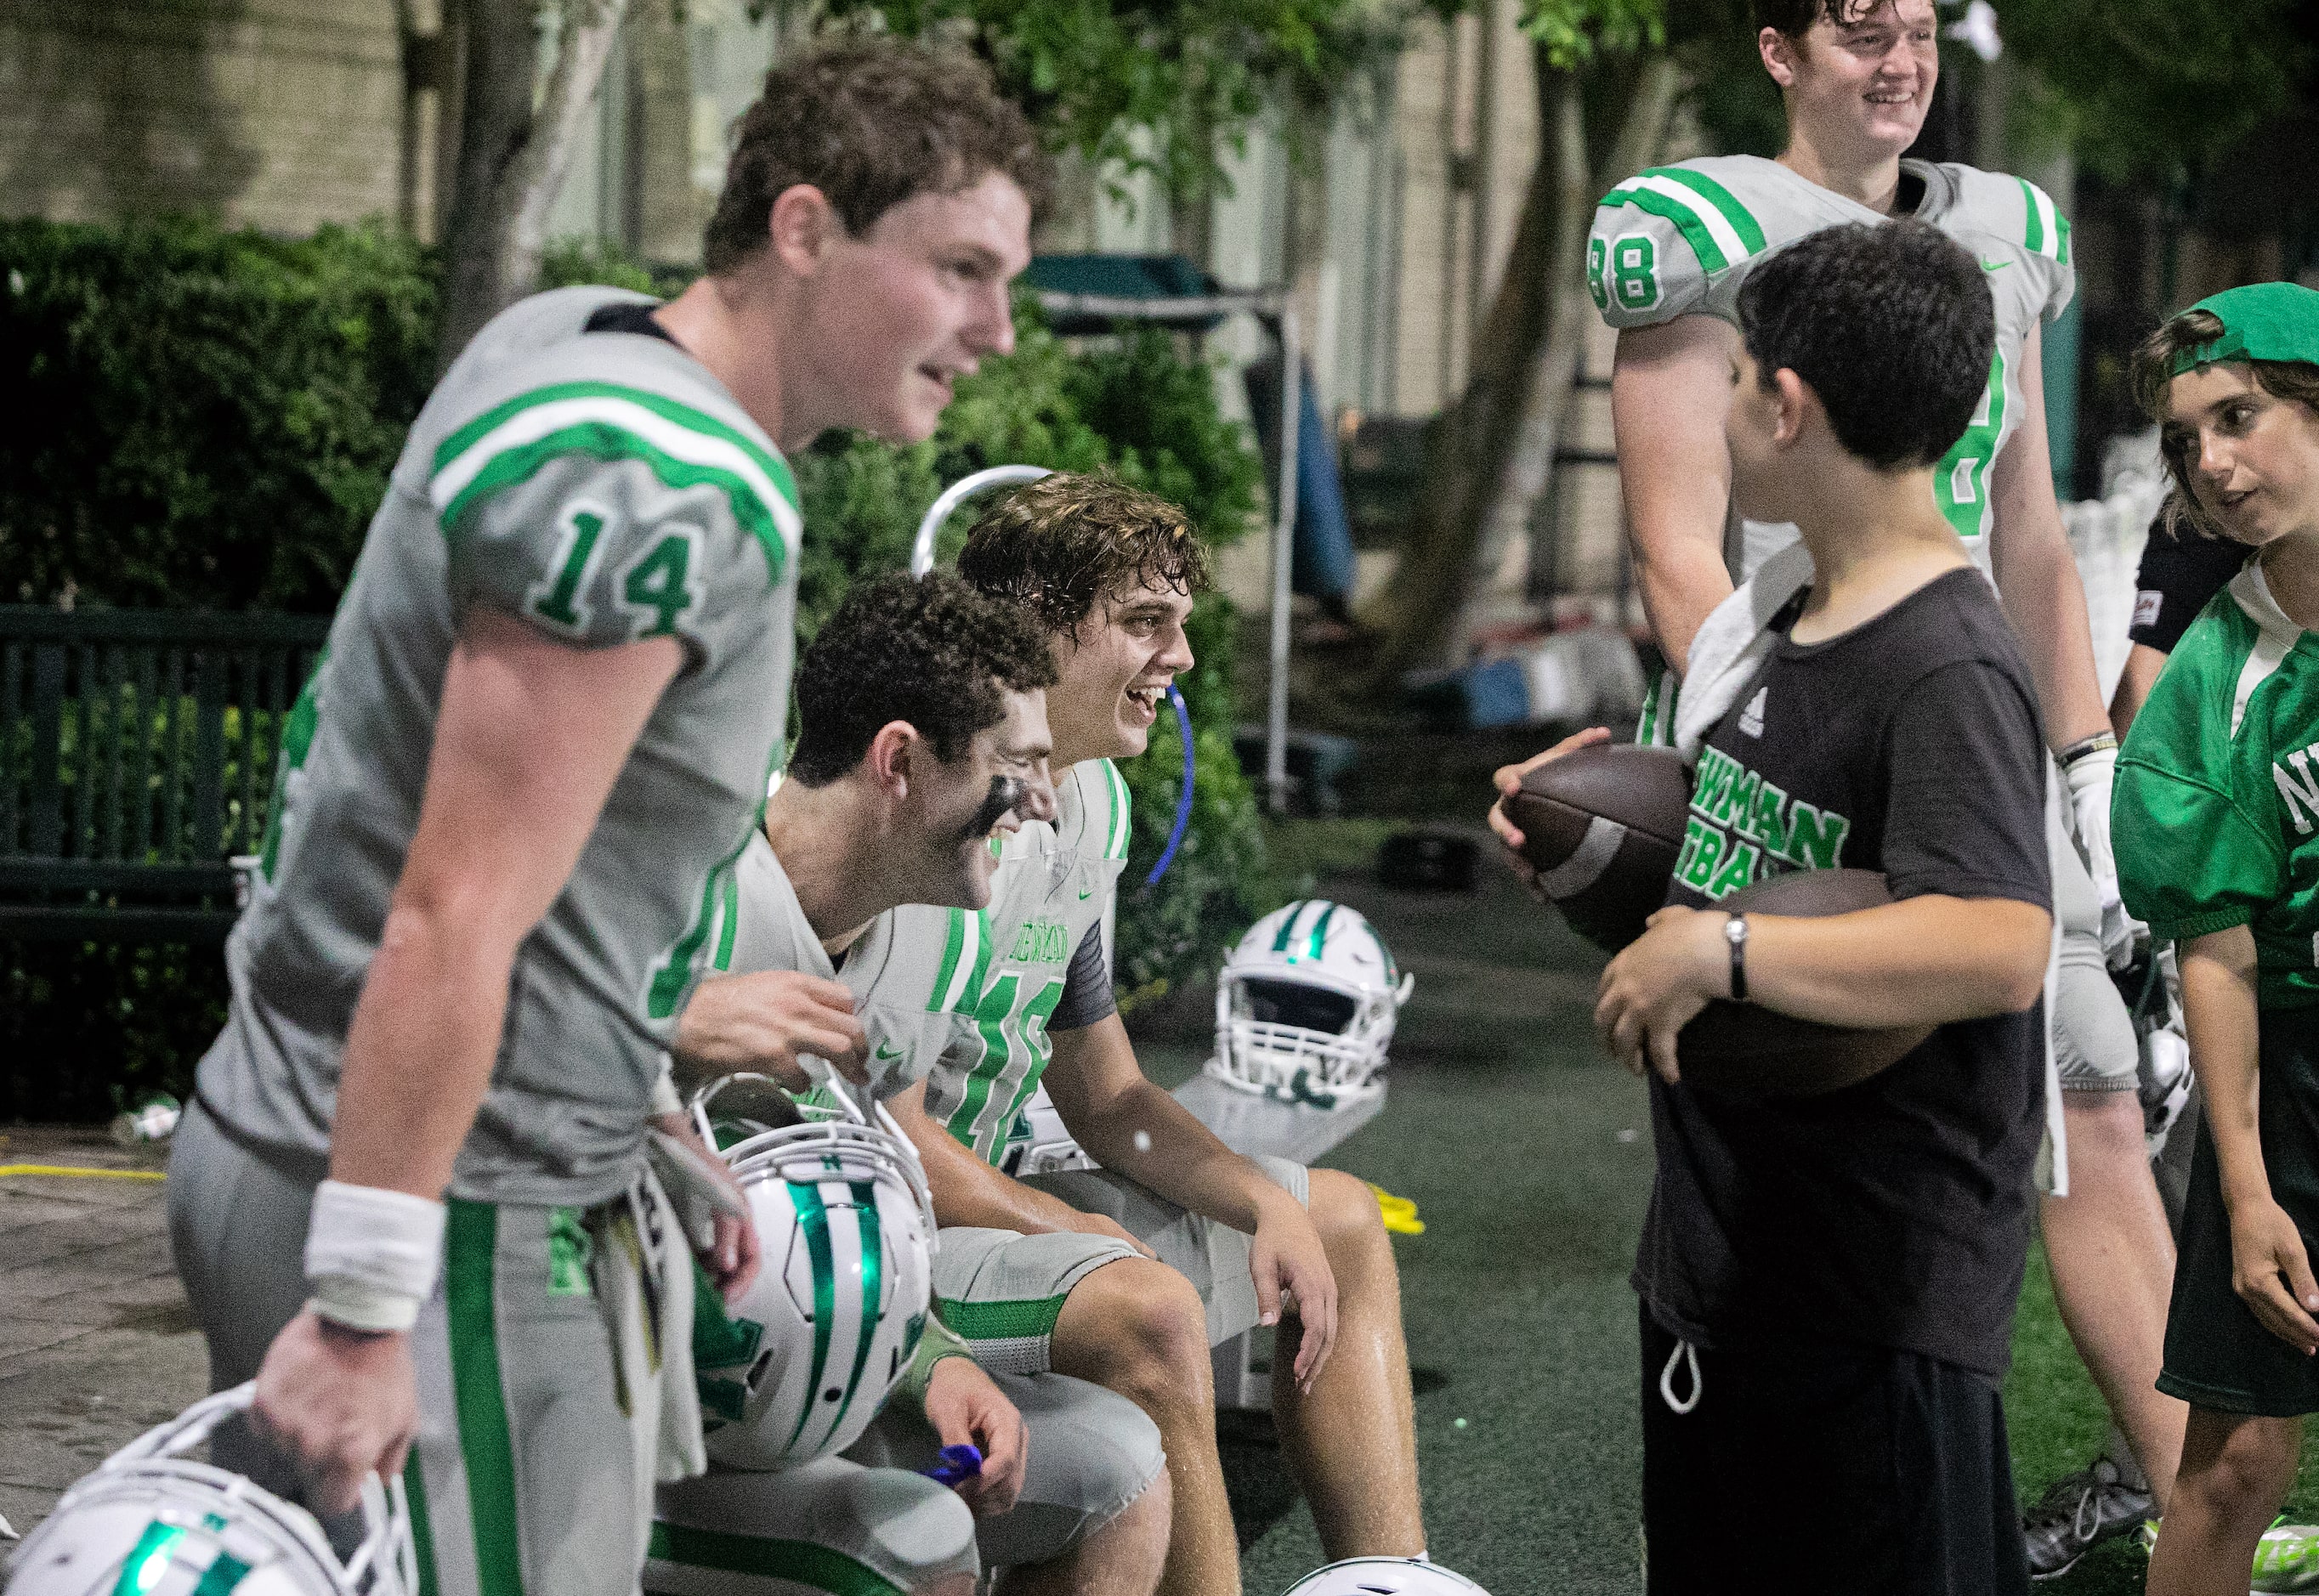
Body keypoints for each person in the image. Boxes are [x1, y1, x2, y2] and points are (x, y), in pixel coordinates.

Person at [164, 39, 1044, 1596]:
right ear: (803, 227)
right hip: (431, 1200)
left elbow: (537, 861)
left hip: (402, 1147)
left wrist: (633, 1100)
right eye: (959, 268)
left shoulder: (576, 345)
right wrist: (368, 1302)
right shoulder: (662, 476)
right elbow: (453, 906)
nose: (994, 326)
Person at [1590, 0, 2180, 1567]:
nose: (1898, 60)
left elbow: (2033, 528)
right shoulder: (1701, 233)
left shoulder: (2002, 235)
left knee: (2088, 1091)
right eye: (1859, 29)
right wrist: (1751, 722)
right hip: (1790, 721)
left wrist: (2084, 762)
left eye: (1918, 27)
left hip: (1947, 712)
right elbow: (1673, 534)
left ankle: (2186, 1490)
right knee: (1785, 1101)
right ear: (1778, 50)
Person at [1507, 220, 2051, 1593]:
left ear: (1787, 404)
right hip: (1726, 1256)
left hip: (1869, 1294)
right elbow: (1745, 836)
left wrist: (1721, 944)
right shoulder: (1785, 606)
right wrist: (1595, 836)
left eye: (1737, 375)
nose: (1726, 403)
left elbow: (1998, 939)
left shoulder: (1943, 663)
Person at [837, 473, 1425, 1596]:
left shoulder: (1089, 799)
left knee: (1334, 1223)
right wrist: (1072, 1228)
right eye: (1146, 623)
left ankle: (1392, 1584)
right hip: (889, 1227)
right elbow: (888, 1124)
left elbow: (1105, 1091)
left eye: (1182, 624)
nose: (1184, 659)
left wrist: (1261, 1203)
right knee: (1147, 1303)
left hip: (997, 1178)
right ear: (1030, 634)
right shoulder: (926, 807)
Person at [667, 573, 1171, 1596]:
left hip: (807, 1401)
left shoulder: (934, 931)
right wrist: (660, 1027)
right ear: (898, 762)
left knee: (1115, 1460)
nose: (1037, 806)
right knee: (909, 1540)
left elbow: (875, 1199)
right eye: (1012, 768)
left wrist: (933, 1362)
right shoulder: (669, 881)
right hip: (631, 1419)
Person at [2112, 281, 2319, 1596]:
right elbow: (2218, 949)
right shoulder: (2215, 679)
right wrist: (2245, 1189)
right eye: (2191, 440)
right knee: (2234, 1465)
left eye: (2239, 416)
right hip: (2298, 1074)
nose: (2216, 465)